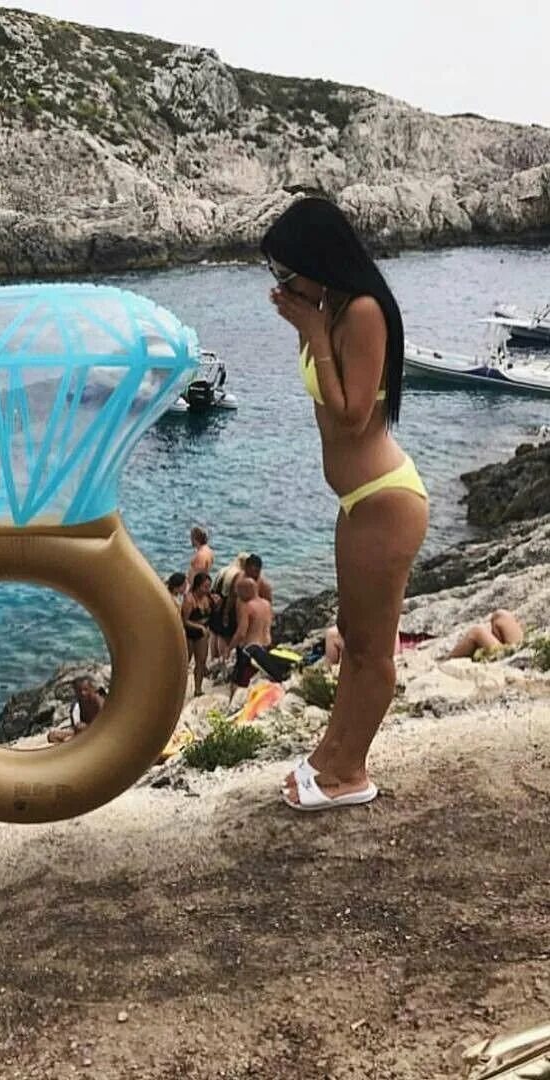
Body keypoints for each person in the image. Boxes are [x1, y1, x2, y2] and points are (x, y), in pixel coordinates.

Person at [263, 197, 428, 811]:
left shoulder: (361, 311)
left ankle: (351, 773)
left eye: (287, 272)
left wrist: (311, 332)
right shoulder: (330, 308)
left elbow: (354, 416)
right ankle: (328, 758)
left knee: (373, 650)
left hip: (386, 498)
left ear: (319, 260)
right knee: (353, 637)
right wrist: (309, 325)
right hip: (358, 501)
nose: (282, 285)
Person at [228, 577, 273, 704]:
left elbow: (241, 632)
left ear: (246, 591)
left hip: (250, 650)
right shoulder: (267, 604)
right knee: (257, 680)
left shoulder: (248, 607)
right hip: (266, 646)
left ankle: (233, 706)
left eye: (239, 592)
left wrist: (230, 647)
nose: (238, 596)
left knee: (238, 682)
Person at [182, 572, 214, 697]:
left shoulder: (207, 598)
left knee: (201, 662)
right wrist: (199, 626)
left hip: (202, 634)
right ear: (197, 586)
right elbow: (184, 620)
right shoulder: (189, 599)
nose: (207, 589)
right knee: (185, 662)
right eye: (205, 587)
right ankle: (180, 687)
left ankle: (198, 689)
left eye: (209, 586)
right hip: (190, 633)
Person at [47, 676, 105, 743]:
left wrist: (85, 727)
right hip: (84, 731)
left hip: (98, 731)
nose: (82, 693)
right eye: (79, 691)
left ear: (92, 689)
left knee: (72, 736)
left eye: (86, 689)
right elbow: (76, 724)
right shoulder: (79, 703)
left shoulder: (98, 701)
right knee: (52, 736)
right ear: (75, 691)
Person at [447, 609, 524, 660]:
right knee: (501, 615)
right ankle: (519, 650)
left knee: (476, 632)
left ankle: (445, 665)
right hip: (519, 648)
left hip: (512, 659)